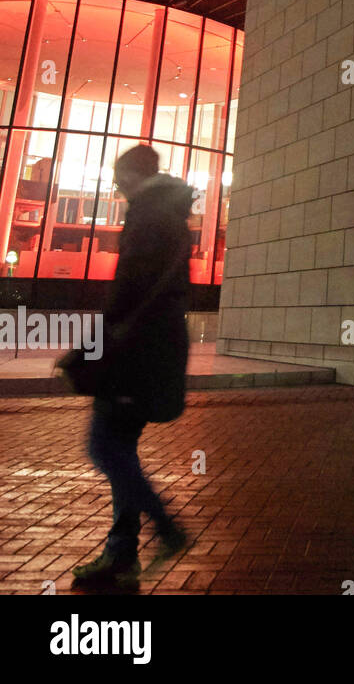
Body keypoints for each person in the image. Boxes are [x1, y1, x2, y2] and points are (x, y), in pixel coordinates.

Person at [69, 144, 192, 590]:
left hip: (135, 355)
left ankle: (167, 528)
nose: (116, 185)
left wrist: (89, 350)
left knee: (104, 447)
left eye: (119, 176)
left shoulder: (149, 214)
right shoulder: (170, 214)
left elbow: (129, 290)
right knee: (120, 449)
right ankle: (121, 555)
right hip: (153, 351)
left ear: (130, 174)